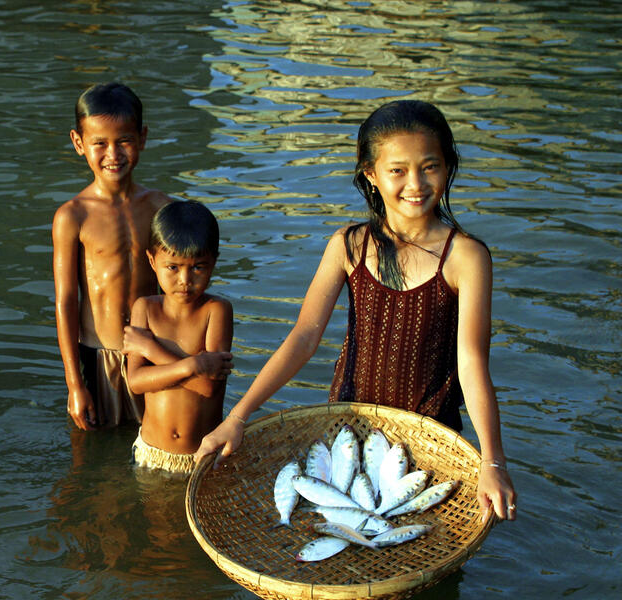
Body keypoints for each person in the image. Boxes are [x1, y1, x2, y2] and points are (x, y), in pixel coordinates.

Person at [193, 100, 518, 521]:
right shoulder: (348, 246)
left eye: (430, 166)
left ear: (449, 166)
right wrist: (237, 416)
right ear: (371, 174)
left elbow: (471, 361)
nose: (415, 183)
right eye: (397, 170)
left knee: (417, 547)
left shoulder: (465, 257)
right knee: (346, 543)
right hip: (350, 429)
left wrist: (493, 463)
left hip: (431, 439)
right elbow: (304, 338)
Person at [52, 82, 172, 430]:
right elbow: (65, 301)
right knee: (92, 449)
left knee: (158, 444)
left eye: (124, 141)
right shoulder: (73, 216)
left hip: (152, 351)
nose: (113, 154)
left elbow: (178, 287)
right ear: (78, 143)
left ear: (142, 138)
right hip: (98, 355)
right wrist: (75, 384)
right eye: (99, 143)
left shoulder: (160, 208)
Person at [123, 201, 234, 475]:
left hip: (200, 454)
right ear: (152, 260)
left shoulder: (216, 311)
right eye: (172, 267)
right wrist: (191, 365)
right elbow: (135, 382)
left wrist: (152, 349)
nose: (185, 279)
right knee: (153, 516)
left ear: (214, 263)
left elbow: (208, 388)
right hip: (152, 451)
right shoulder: (145, 309)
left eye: (198, 267)